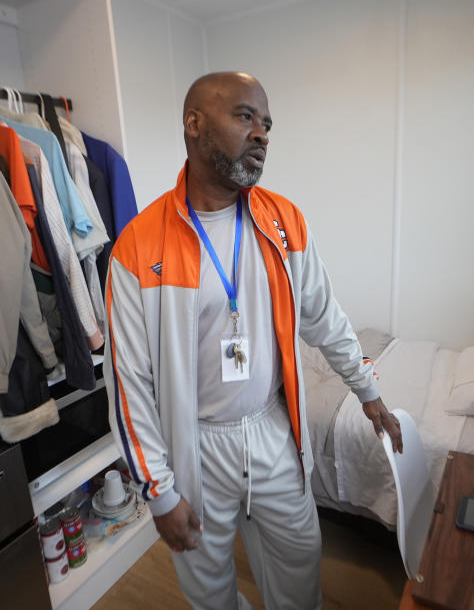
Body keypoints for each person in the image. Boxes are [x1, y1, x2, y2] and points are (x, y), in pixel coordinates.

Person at [105, 71, 402, 609]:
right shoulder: (138, 246)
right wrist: (159, 491)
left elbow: (324, 316)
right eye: (246, 116)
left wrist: (368, 390)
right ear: (194, 125)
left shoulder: (282, 221)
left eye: (267, 124)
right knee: (207, 584)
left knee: (299, 560)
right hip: (194, 444)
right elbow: (129, 384)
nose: (262, 133)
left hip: (271, 430)